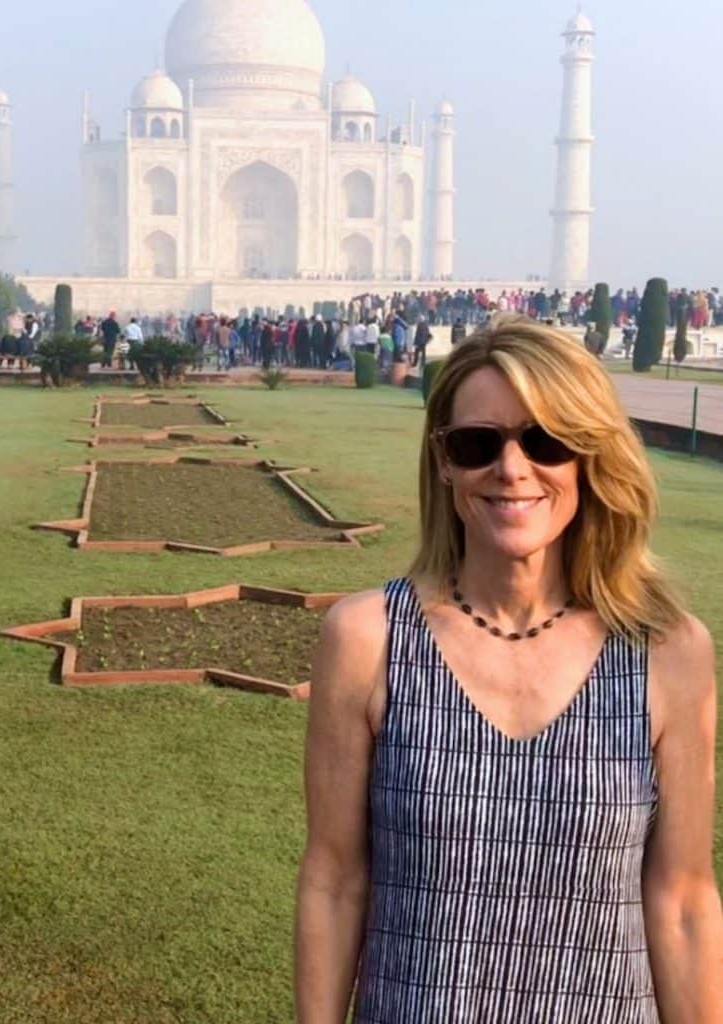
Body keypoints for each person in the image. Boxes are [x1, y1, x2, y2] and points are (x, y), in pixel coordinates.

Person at [295, 315, 722, 1023]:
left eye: (546, 441)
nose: (513, 469)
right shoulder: (370, 639)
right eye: (478, 443)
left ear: (587, 456)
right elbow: (335, 880)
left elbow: (681, 900)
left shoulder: (664, 650)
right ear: (444, 461)